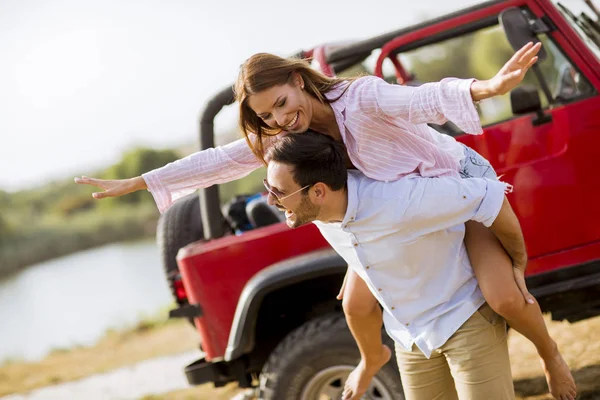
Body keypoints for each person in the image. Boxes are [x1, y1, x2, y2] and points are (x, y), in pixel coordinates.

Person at [74, 42, 575, 399]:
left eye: (282, 104)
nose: (279, 120)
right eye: (266, 116)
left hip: (448, 185)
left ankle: (551, 354)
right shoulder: (285, 141)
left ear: (297, 81)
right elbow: (217, 161)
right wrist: (140, 183)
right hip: (389, 215)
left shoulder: (360, 99)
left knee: (504, 294)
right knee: (356, 303)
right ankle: (372, 356)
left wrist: (488, 87)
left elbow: (421, 99)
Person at [262, 130, 519, 399]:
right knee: (353, 303)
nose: (270, 199)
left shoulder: (398, 200)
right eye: (268, 188)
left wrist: (519, 259)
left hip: (463, 314)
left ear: (318, 191)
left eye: (278, 191)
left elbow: (488, 194)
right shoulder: (316, 212)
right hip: (410, 337)